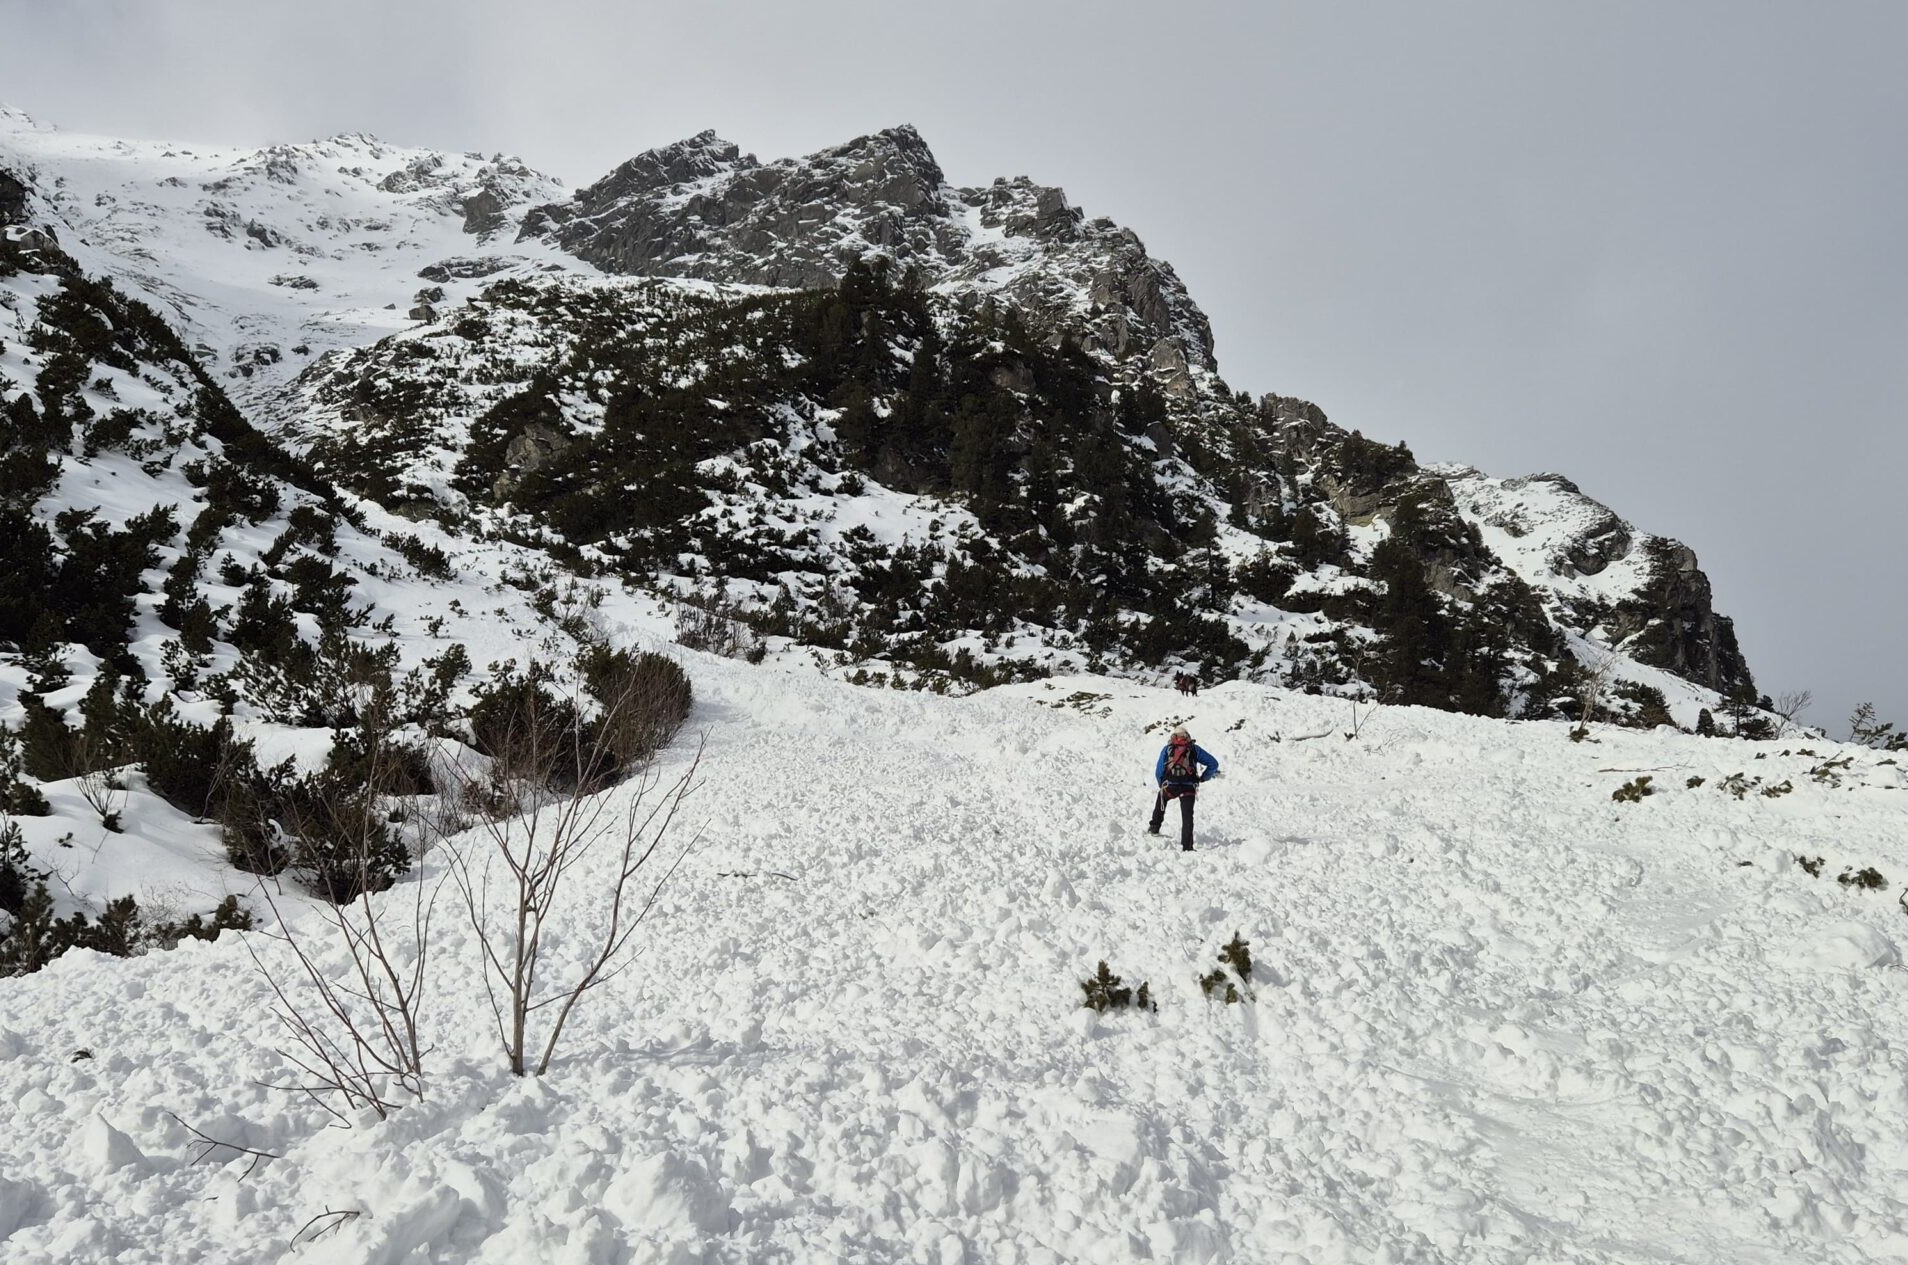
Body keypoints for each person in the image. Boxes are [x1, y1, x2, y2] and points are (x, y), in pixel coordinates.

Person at [1148, 725, 1219, 851]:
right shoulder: (1194, 749)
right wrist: (1203, 778)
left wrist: (1161, 784)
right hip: (1188, 787)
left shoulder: (1167, 749)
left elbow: (1159, 770)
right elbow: (1213, 763)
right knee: (1187, 816)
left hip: (1170, 785)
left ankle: (1154, 828)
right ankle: (1187, 847)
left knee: (1161, 800)